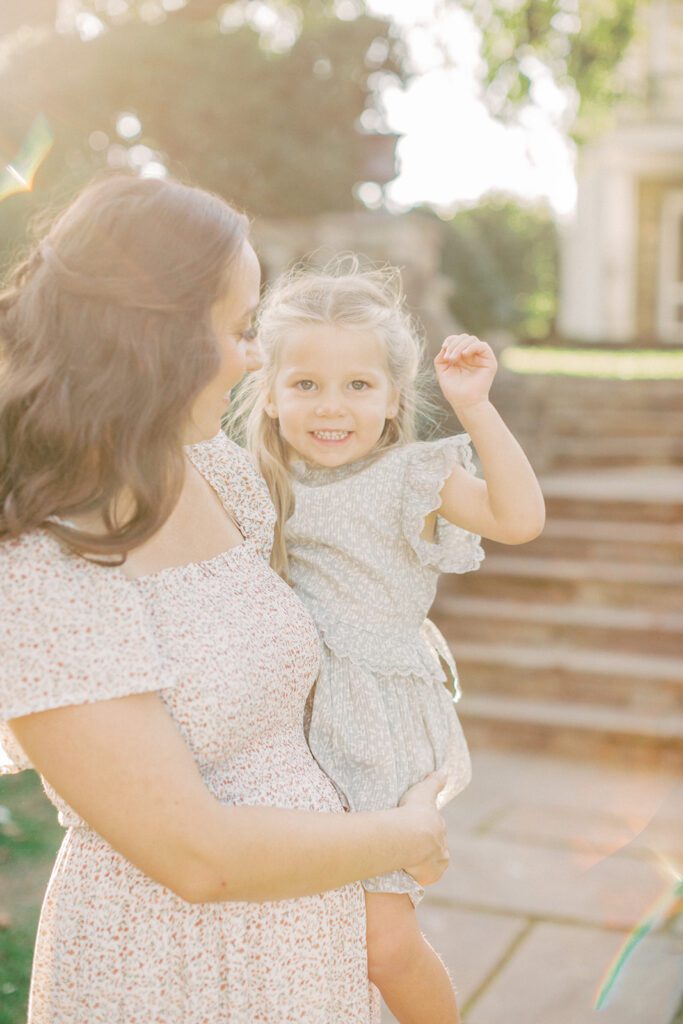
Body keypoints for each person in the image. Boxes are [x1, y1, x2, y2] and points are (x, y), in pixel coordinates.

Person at [0, 175, 450, 1024]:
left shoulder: (216, 474)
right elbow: (196, 856)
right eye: (239, 329)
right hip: (175, 963)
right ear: (152, 340)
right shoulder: (37, 565)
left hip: (309, 932)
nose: (252, 358)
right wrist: (407, 835)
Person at [233, 258, 546, 1024]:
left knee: (383, 941)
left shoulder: (413, 476)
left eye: (357, 385)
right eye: (305, 384)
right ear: (268, 393)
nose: (330, 407)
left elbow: (518, 519)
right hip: (289, 721)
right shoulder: (252, 479)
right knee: (302, 926)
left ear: (393, 397)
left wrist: (473, 407)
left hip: (377, 720)